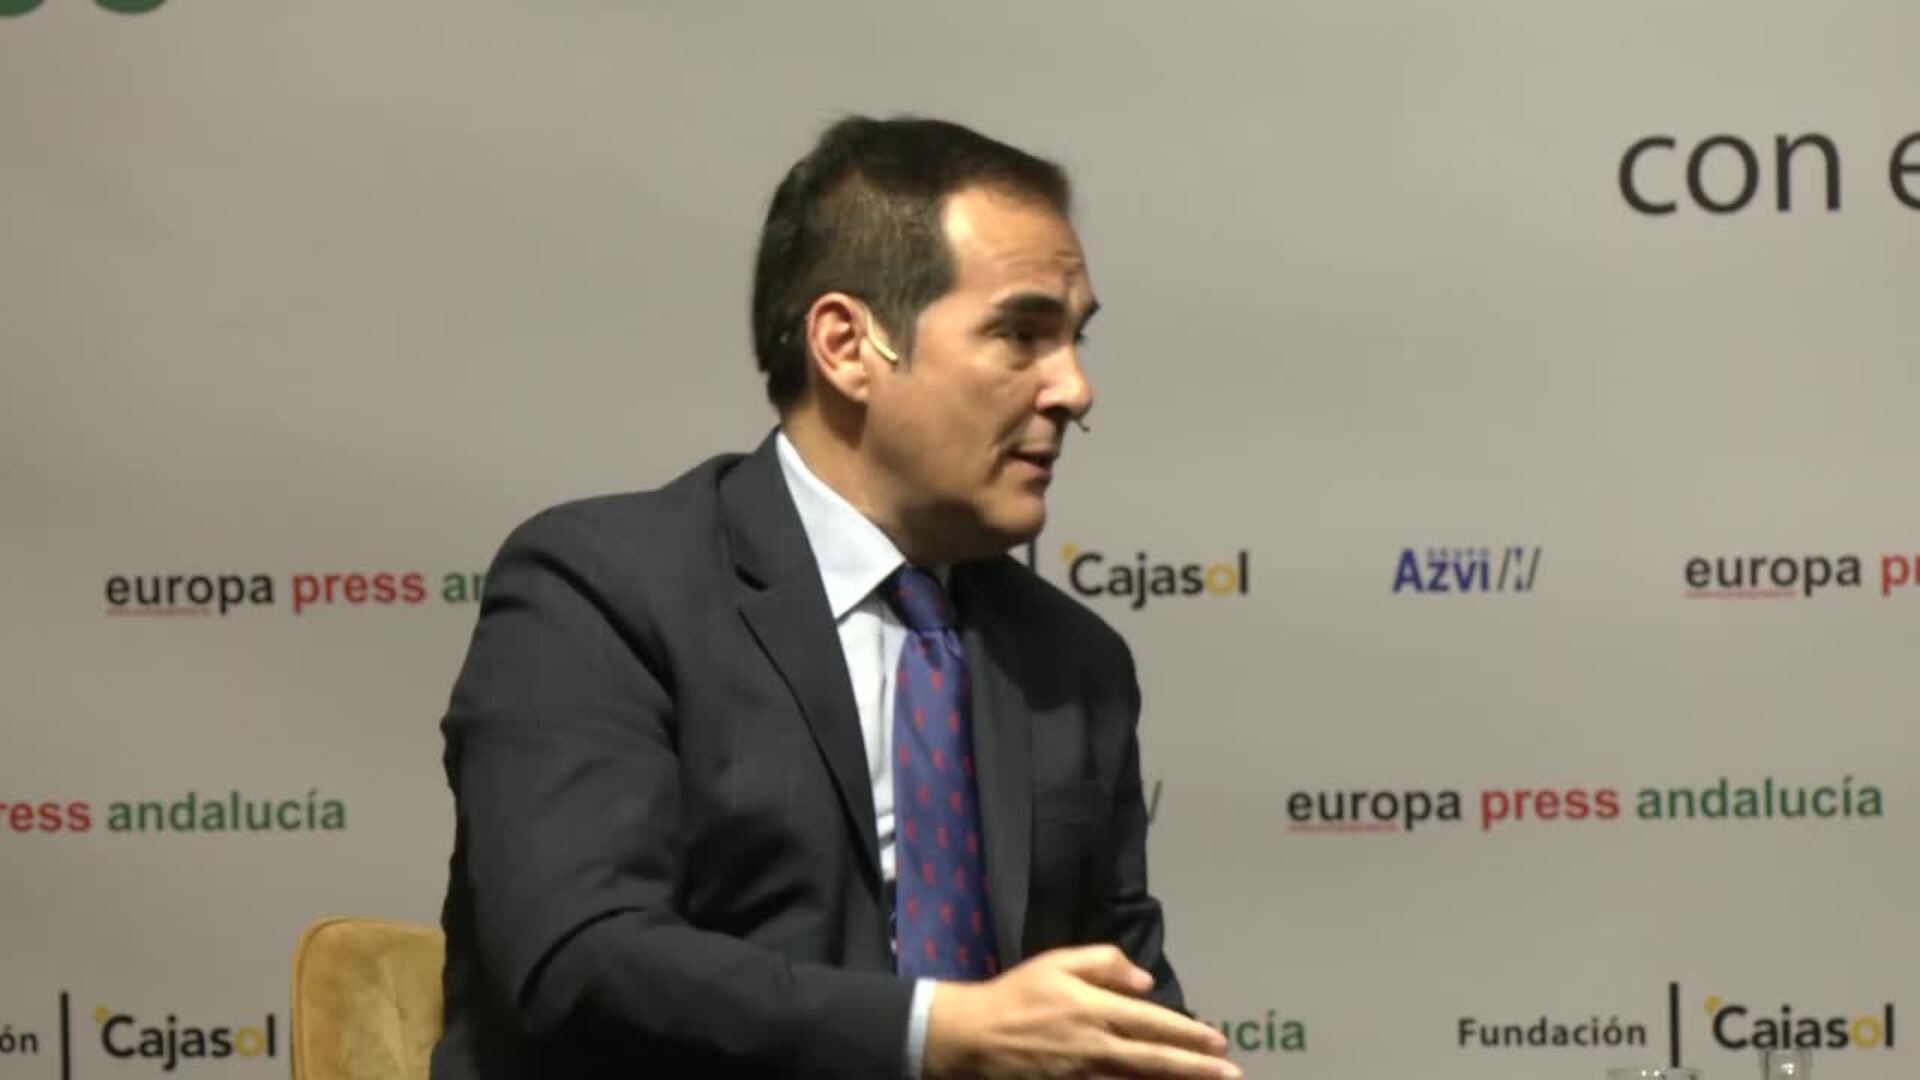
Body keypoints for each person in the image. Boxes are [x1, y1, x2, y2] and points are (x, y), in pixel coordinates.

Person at [431, 115, 1239, 1080]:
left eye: (1074, 339)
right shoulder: (602, 589)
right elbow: (581, 959)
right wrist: (935, 1034)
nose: (1074, 388)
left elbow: (1124, 1007)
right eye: (1021, 334)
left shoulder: (1072, 661)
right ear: (848, 345)